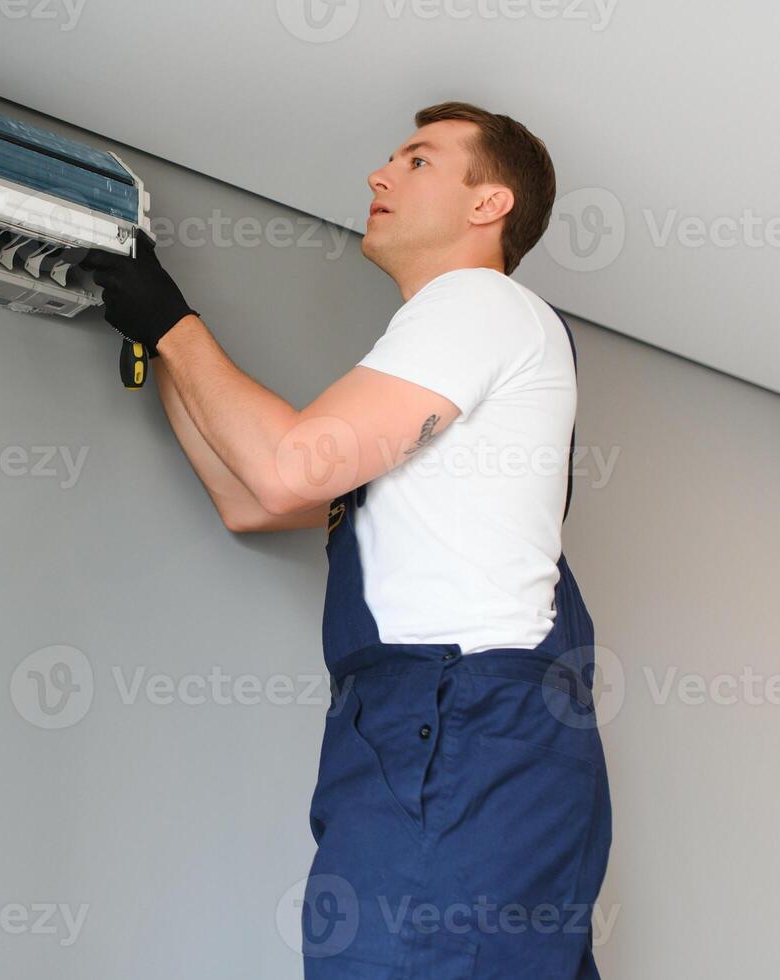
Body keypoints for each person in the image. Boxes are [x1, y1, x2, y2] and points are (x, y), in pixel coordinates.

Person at [80, 101, 613, 977]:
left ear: (490, 205)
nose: (379, 174)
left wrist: (177, 325)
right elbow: (250, 496)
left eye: (417, 161)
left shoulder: (477, 303)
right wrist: (162, 338)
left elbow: (288, 467)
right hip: (453, 732)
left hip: (459, 725)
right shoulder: (430, 404)